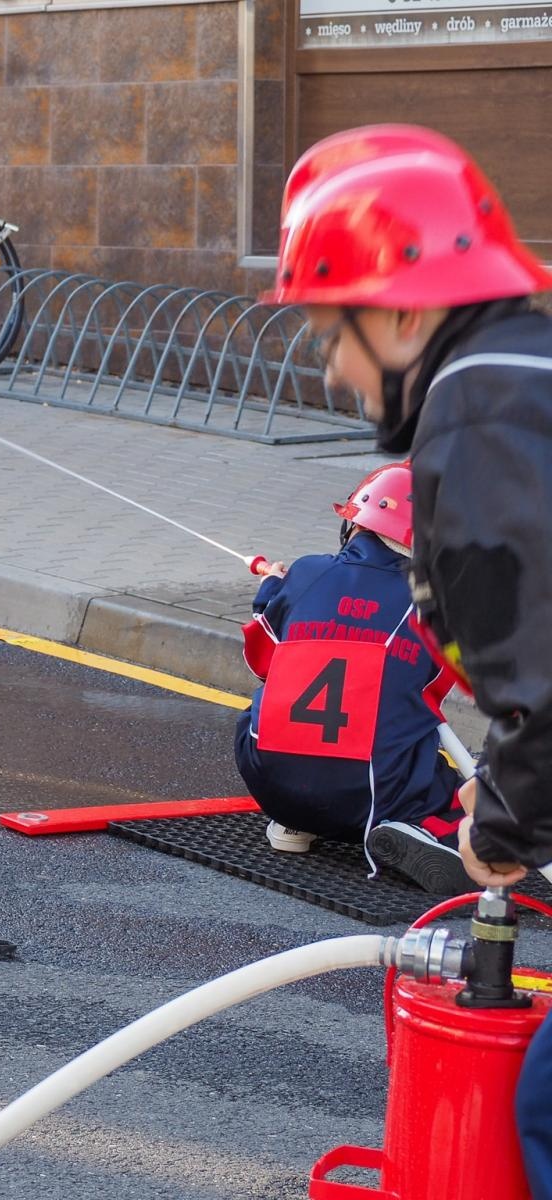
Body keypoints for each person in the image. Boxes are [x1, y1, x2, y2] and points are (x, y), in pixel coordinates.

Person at [265, 123, 552, 1197]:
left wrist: (503, 826)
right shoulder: (526, 372)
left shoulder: (478, 409)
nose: (334, 368)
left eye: (329, 333)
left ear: (396, 308)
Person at [235, 461, 468, 893]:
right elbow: (433, 689)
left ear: (355, 523)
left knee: (262, 708)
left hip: (267, 779)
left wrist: (271, 589)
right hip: (367, 793)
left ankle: (292, 820)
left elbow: (264, 660)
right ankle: (422, 827)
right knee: (457, 789)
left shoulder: (305, 572)